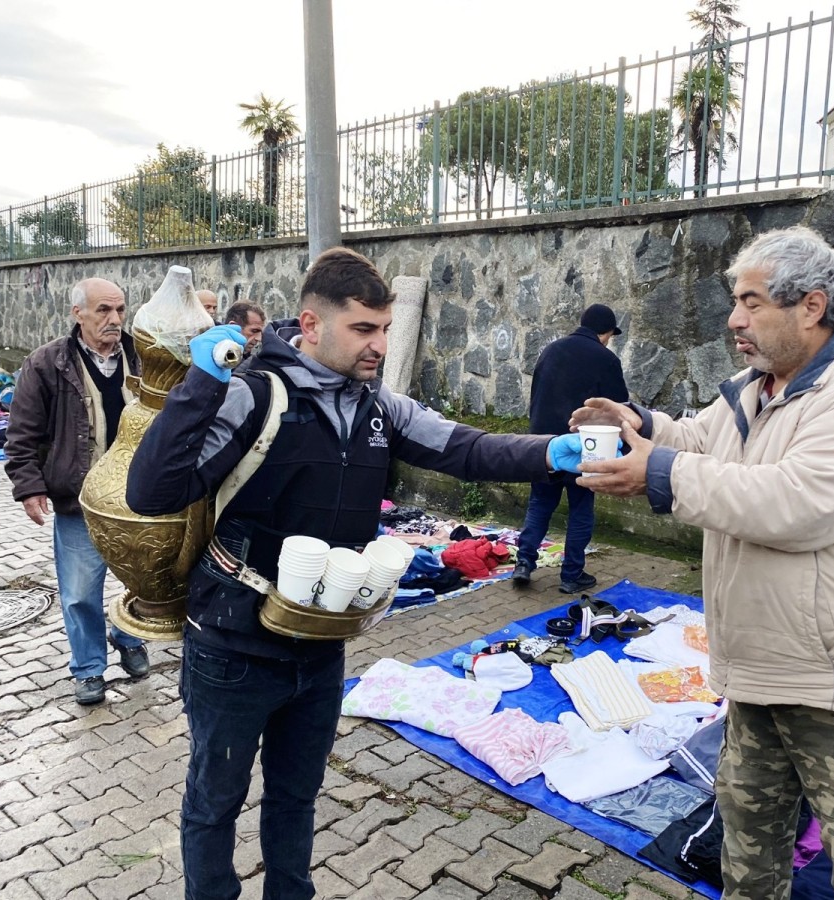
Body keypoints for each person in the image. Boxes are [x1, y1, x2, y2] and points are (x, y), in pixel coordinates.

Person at [125, 247, 584, 900]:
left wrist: (549, 453)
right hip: (232, 646)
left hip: (318, 644)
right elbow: (151, 492)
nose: (379, 345)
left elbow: (466, 448)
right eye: (364, 329)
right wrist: (200, 387)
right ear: (311, 325)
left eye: (385, 329)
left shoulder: (378, 407)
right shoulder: (252, 396)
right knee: (214, 802)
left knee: (296, 797)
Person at [572, 226, 834, 900]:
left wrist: (661, 472)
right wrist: (641, 426)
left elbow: (795, 506)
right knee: (748, 850)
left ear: (813, 306)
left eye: (752, 302)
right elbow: (700, 441)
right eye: (736, 301)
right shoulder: (754, 387)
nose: (734, 320)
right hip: (760, 676)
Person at [4, 278, 150, 706]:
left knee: (145, 580)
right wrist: (29, 485)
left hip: (137, 496)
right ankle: (89, 668)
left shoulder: (142, 356)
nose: (115, 319)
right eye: (104, 310)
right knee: (81, 590)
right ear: (78, 313)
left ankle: (128, 635)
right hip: (81, 499)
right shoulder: (47, 362)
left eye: (120, 309)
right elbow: (22, 432)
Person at [513, 303, 629, 593]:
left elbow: (536, 394)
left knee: (540, 503)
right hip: (583, 446)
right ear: (605, 333)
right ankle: (571, 575)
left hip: (545, 446)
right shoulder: (606, 359)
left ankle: (524, 563)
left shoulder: (551, 350)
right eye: (610, 335)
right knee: (581, 508)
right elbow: (621, 407)